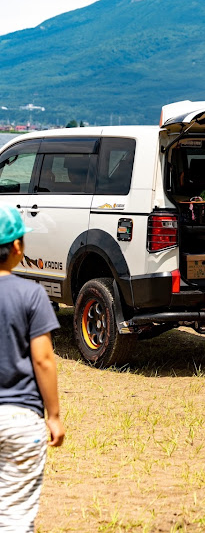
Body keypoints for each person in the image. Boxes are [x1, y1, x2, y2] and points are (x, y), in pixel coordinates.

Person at [0, 206, 65, 532]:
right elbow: (43, 359)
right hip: (21, 419)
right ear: (17, 248)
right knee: (14, 516)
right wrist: (53, 416)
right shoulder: (32, 294)